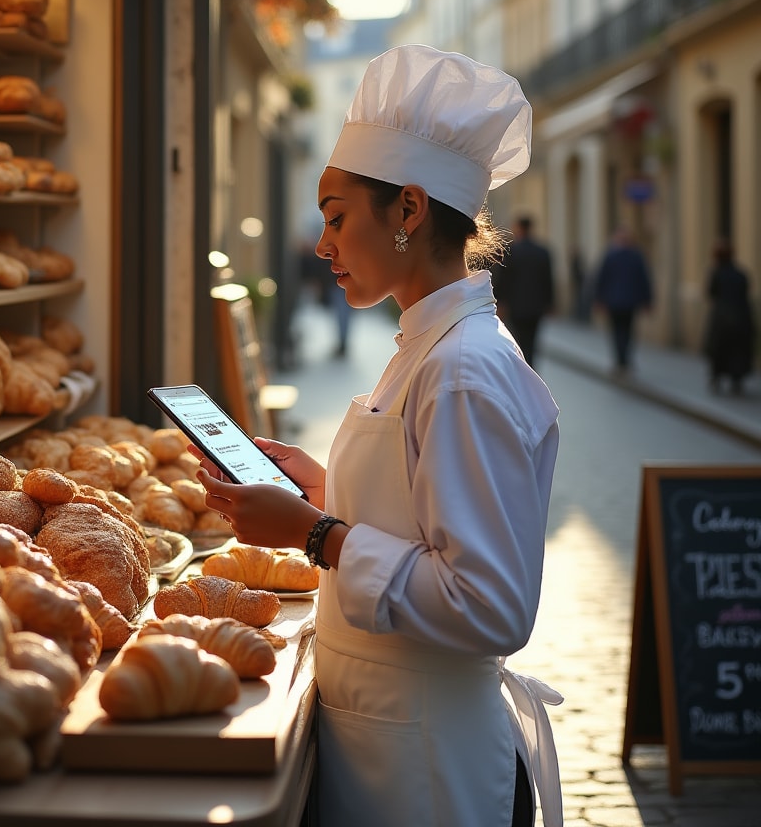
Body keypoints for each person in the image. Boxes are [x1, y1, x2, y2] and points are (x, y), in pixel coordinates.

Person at [196, 45, 563, 827]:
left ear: (409, 210)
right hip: (390, 743)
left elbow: (490, 604)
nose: (322, 245)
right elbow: (424, 517)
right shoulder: (429, 349)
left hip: (428, 771)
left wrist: (318, 533)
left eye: (336, 219)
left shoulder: (461, 370)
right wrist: (324, 491)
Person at [492, 215, 555, 367]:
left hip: (516, 305)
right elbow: (548, 279)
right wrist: (550, 303)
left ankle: (522, 370)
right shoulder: (542, 251)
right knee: (532, 341)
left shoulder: (511, 251)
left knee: (517, 340)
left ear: (519, 228)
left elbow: (503, 280)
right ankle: (531, 368)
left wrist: (499, 301)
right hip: (536, 306)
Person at [592, 227, 652, 373]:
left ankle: (620, 360)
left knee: (618, 331)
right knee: (627, 330)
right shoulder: (636, 256)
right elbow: (644, 279)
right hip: (630, 302)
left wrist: (599, 299)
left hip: (614, 301)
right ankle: (624, 359)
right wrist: (647, 300)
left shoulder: (611, 255)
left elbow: (601, 278)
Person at [702, 238, 755, 394]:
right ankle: (736, 379)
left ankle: (717, 377)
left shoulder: (716, 273)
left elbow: (710, 293)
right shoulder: (741, 274)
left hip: (722, 317)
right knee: (737, 349)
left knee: (719, 349)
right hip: (741, 315)